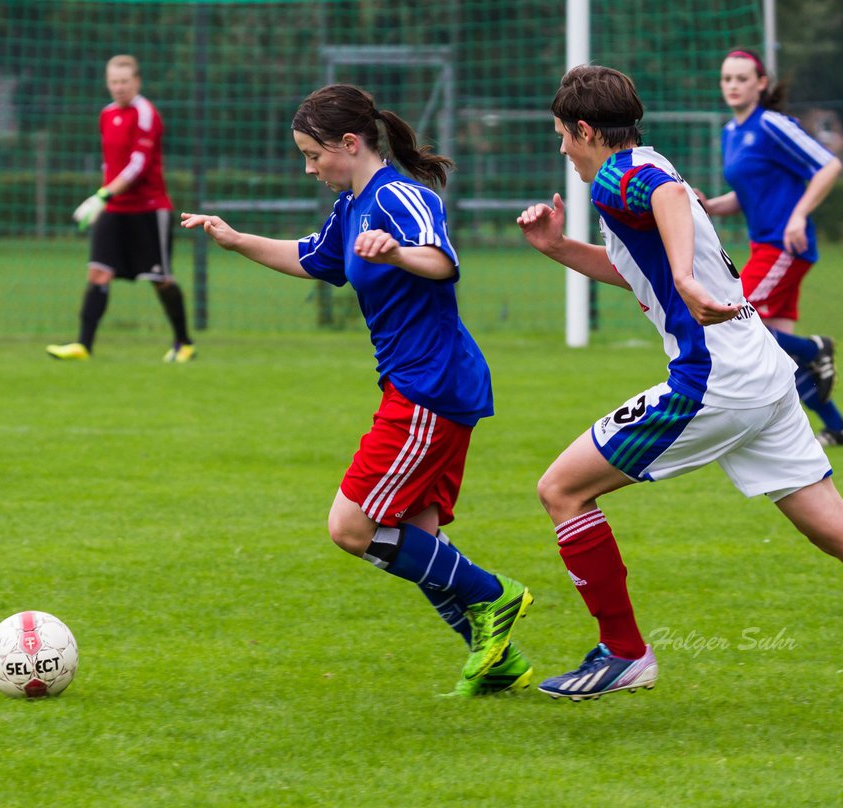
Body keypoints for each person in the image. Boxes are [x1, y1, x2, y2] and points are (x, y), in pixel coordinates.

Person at [516, 64, 843, 729]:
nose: (562, 148)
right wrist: (558, 247)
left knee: (561, 489)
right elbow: (640, 270)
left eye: (563, 135)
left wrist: (682, 274)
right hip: (760, 370)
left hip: (713, 380)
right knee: (842, 532)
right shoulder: (640, 164)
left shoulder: (625, 176)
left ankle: (624, 651)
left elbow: (671, 200)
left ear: (586, 130)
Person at [181, 84, 532, 696]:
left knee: (351, 526)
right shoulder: (352, 208)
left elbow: (442, 260)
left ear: (350, 143)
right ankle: (495, 657)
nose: (310, 168)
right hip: (424, 382)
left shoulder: (398, 195)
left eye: (314, 155)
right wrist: (236, 240)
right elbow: (313, 258)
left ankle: (493, 596)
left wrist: (397, 251)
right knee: (414, 535)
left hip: (430, 386)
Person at [698, 49, 843, 447]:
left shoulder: (771, 124)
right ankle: (837, 427)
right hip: (765, 246)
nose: (732, 85)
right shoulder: (731, 132)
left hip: (784, 245)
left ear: (761, 83)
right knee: (774, 354)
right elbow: (750, 191)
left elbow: (828, 165)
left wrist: (799, 215)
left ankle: (815, 348)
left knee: (736, 320)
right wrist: (714, 205)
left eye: (741, 78)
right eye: (726, 79)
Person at [47, 54, 196, 363]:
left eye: (124, 82)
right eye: (113, 81)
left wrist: (101, 195)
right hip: (115, 209)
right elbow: (109, 163)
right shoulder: (106, 115)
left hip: (148, 209)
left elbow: (137, 166)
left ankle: (184, 343)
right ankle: (83, 346)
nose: (118, 87)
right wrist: (105, 199)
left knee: (161, 279)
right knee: (98, 273)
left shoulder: (146, 114)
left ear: (137, 82)